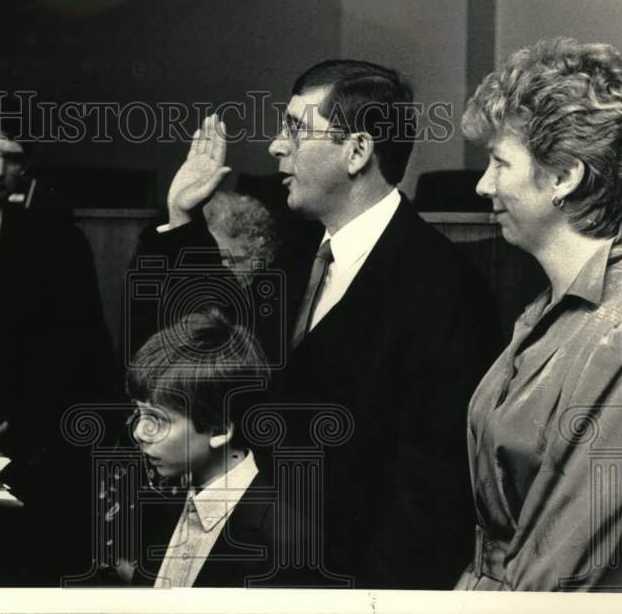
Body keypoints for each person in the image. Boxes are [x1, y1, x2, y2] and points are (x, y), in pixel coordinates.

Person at [131, 60, 502, 588]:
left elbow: (430, 497)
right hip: (251, 559)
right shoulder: (302, 247)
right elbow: (219, 355)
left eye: (295, 129)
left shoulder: (445, 288)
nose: (276, 147)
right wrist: (180, 219)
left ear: (357, 151)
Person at [456, 37, 622, 591]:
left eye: (499, 162)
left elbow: (556, 578)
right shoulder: (544, 312)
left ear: (564, 177)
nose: (484, 184)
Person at [0, 93, 116, 585]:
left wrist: (28, 429)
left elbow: (84, 352)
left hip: (25, 461)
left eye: (13, 158)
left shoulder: (57, 242)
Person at [124, 308, 312, 587]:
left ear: (220, 430)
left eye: (158, 420)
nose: (139, 432)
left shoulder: (285, 543)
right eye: (139, 413)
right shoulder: (166, 500)